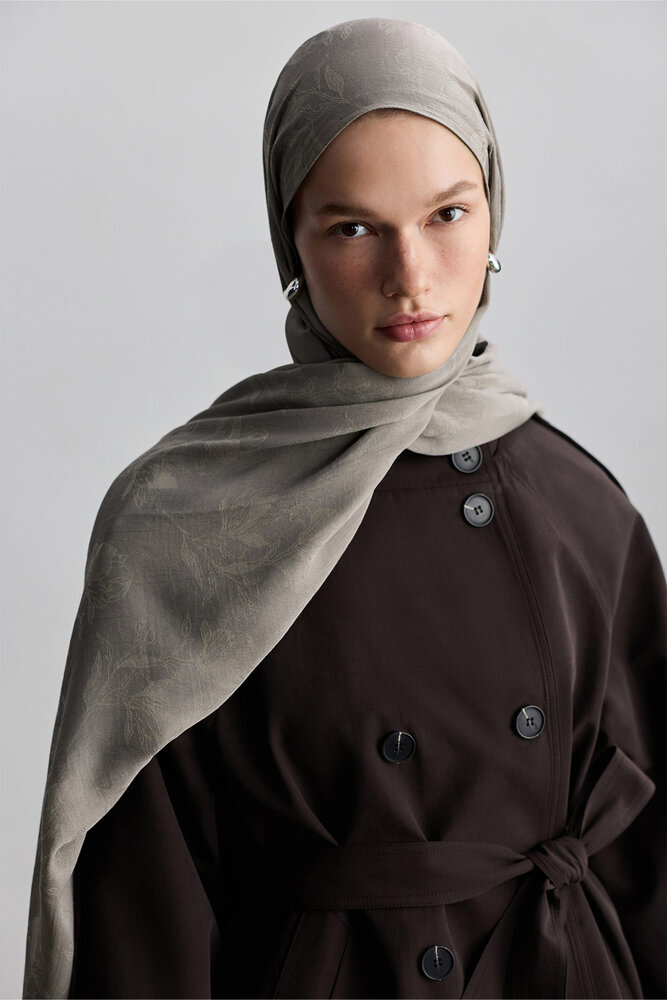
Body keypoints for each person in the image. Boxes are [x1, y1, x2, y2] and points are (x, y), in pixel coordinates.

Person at [23, 17, 665, 1000]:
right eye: (353, 228)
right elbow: (142, 908)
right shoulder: (182, 525)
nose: (411, 276)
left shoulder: (581, 509)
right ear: (291, 241)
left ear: (493, 215)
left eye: (447, 214)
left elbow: (649, 864)